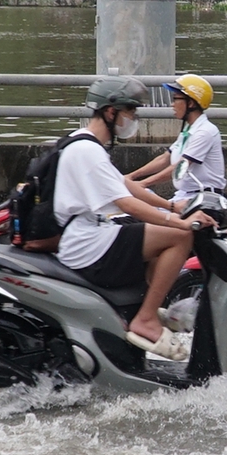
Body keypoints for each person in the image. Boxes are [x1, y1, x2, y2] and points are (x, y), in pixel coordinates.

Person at [55, 79, 202, 346]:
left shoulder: (81, 141)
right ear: (111, 112)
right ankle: (145, 318)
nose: (134, 118)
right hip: (87, 243)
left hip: (86, 233)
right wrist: (179, 222)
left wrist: (172, 207)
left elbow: (124, 184)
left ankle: (145, 307)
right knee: (180, 238)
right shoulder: (89, 150)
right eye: (131, 111)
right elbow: (128, 203)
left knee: (160, 233)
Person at [124, 74, 224, 210]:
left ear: (191, 103)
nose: (172, 104)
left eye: (176, 99)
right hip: (184, 196)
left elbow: (180, 167)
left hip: (202, 200)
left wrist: (143, 184)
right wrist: (130, 176)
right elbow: (164, 159)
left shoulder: (205, 132)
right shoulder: (189, 129)